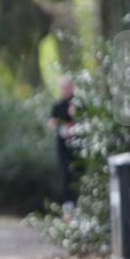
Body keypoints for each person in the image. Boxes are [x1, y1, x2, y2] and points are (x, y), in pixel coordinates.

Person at [48, 76, 78, 206]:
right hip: (63, 146)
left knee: (77, 173)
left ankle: (78, 203)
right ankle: (68, 205)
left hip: (77, 145)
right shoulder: (58, 105)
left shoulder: (78, 103)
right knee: (66, 174)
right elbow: (51, 122)